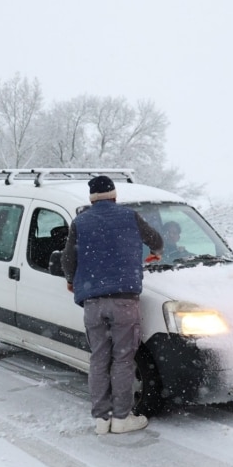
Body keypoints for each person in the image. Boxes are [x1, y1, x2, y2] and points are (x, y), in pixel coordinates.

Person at [61, 175, 163, 435]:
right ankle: (121, 418)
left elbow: (68, 259)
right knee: (123, 360)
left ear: (91, 199)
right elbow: (156, 240)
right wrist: (157, 252)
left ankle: (101, 419)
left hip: (93, 302)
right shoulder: (129, 217)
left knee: (98, 359)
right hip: (124, 301)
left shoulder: (80, 222)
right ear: (114, 196)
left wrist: (72, 281)